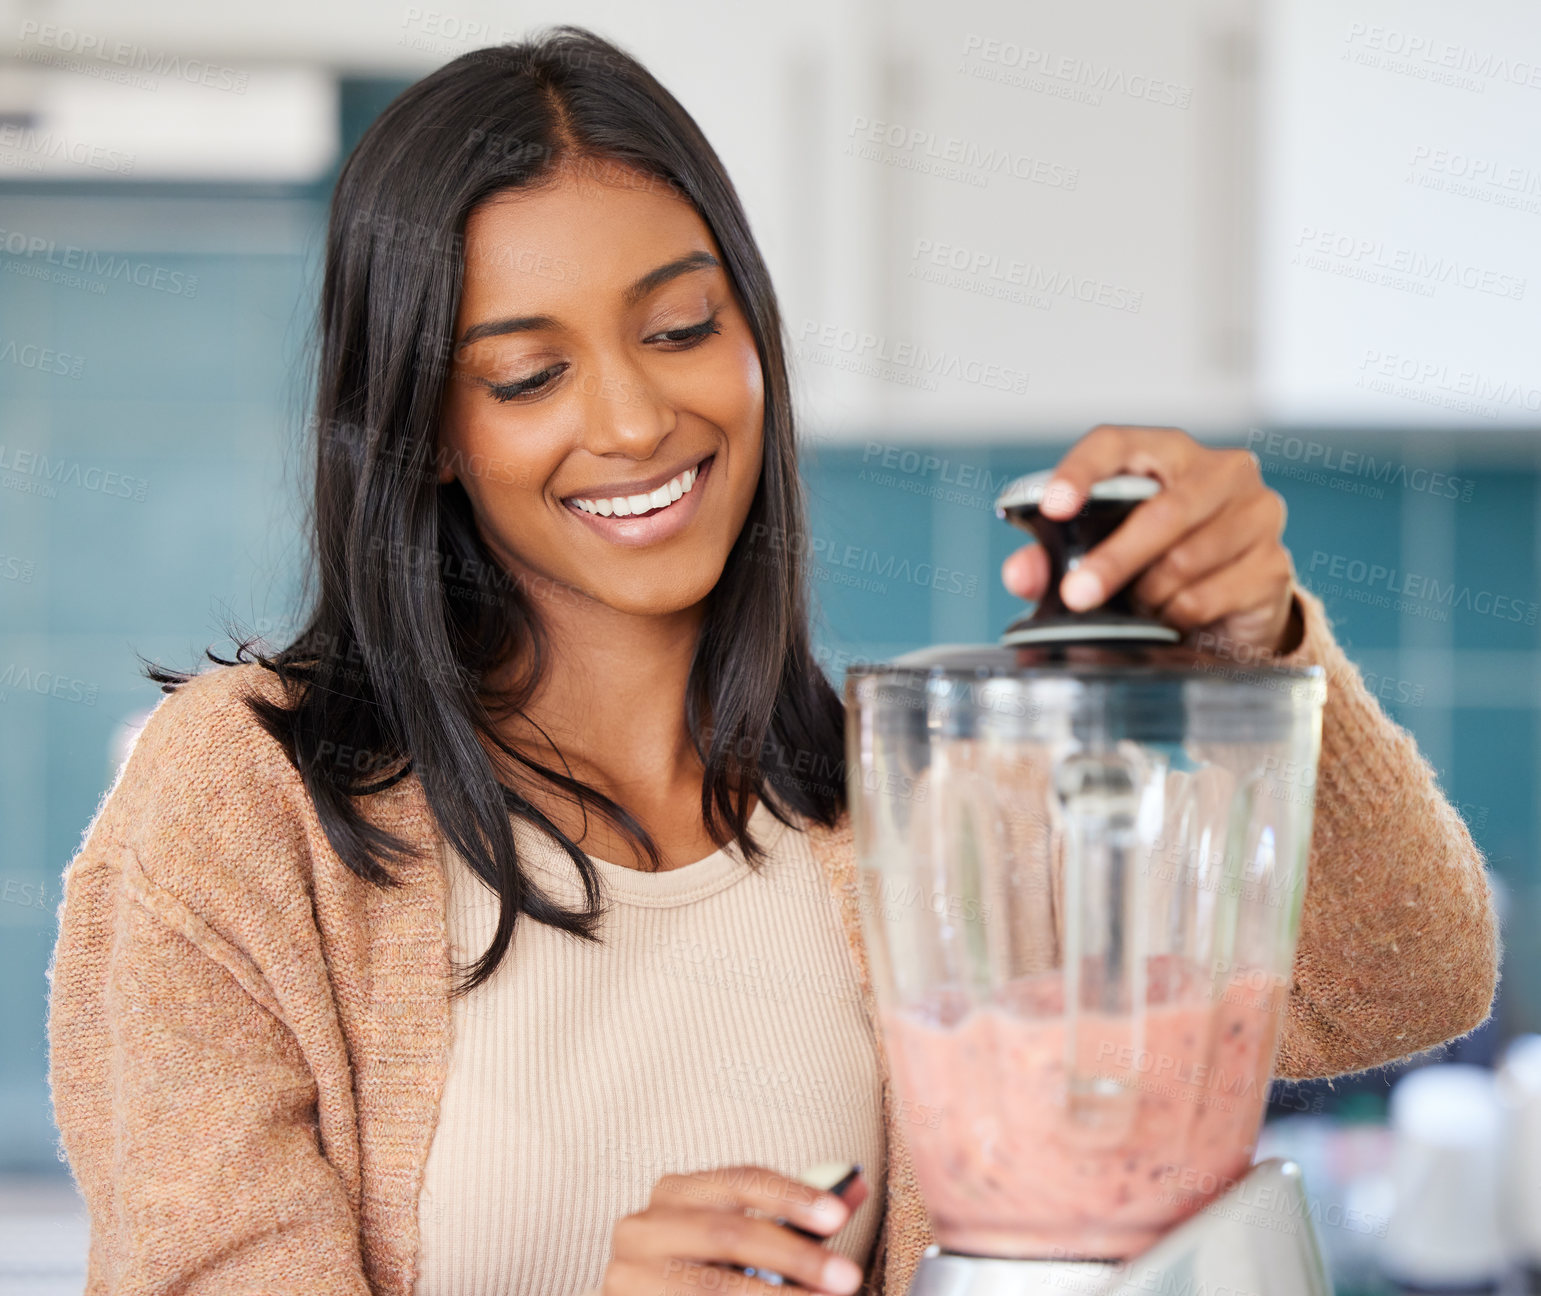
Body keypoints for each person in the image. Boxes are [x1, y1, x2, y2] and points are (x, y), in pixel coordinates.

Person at [45, 25, 1499, 1296]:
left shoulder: (911, 808)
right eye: (528, 373)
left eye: (682, 327)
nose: (630, 419)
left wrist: (1258, 646)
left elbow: (1405, 985)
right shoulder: (248, 803)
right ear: (427, 425)